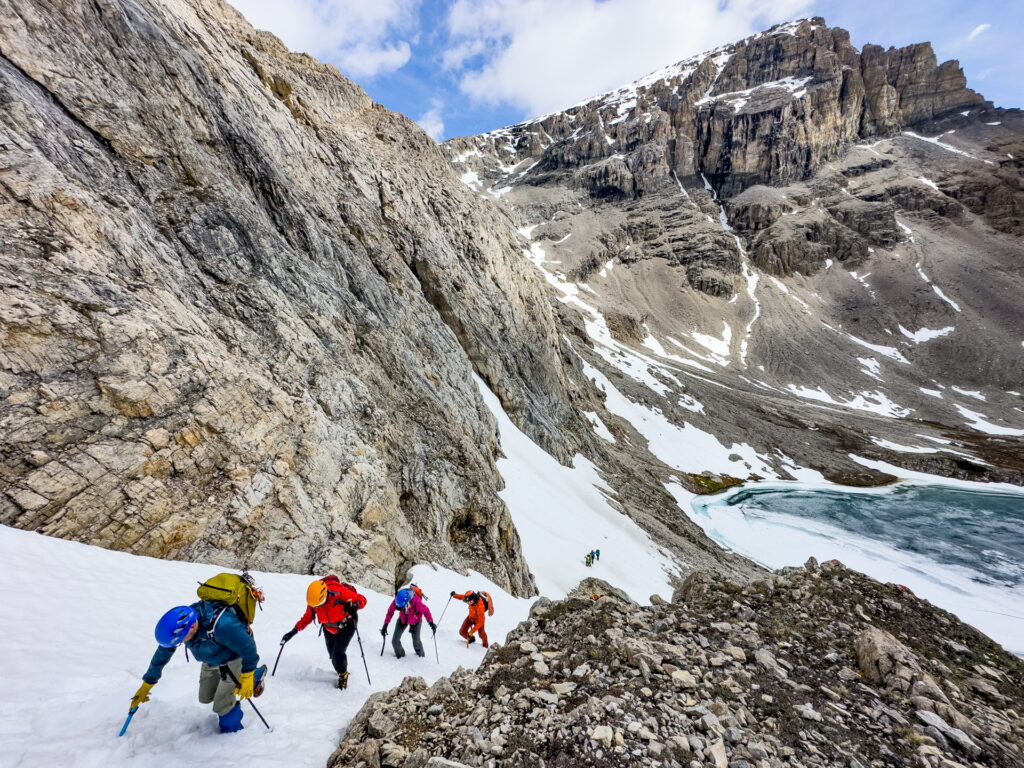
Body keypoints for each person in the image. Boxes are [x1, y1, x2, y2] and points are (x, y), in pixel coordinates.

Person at [132, 603, 266, 733]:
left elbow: (248, 648)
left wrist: (247, 674)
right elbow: (163, 653)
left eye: (181, 640)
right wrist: (148, 683)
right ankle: (252, 676)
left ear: (192, 627)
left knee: (222, 703)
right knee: (205, 697)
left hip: (235, 658)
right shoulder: (179, 627)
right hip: (210, 658)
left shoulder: (223, 625)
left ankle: (233, 732)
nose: (181, 643)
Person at [281, 575, 366, 689]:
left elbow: (362, 599)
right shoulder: (315, 599)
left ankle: (343, 675)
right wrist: (294, 631)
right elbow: (307, 617)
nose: (317, 607)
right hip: (328, 627)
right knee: (332, 655)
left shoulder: (340, 593)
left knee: (337, 654)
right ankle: (340, 668)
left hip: (346, 625)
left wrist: (356, 605)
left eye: (319, 605)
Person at [381, 586, 436, 658]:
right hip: (403, 619)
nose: (400, 609)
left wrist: (431, 622)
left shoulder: (416, 602)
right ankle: (401, 657)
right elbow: (390, 612)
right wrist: (385, 625)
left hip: (416, 620)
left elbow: (426, 611)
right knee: (394, 641)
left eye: (401, 608)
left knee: (416, 641)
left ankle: (421, 657)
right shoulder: (398, 599)